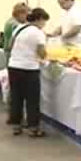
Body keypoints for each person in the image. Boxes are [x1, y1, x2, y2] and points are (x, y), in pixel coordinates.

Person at [8, 8, 50, 138]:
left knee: (16, 97)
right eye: (44, 21)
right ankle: (33, 128)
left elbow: (9, 45)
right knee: (32, 99)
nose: (44, 24)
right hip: (29, 68)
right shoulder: (38, 33)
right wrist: (47, 58)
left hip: (14, 66)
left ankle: (16, 125)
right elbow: (41, 52)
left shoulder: (19, 28)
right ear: (39, 19)